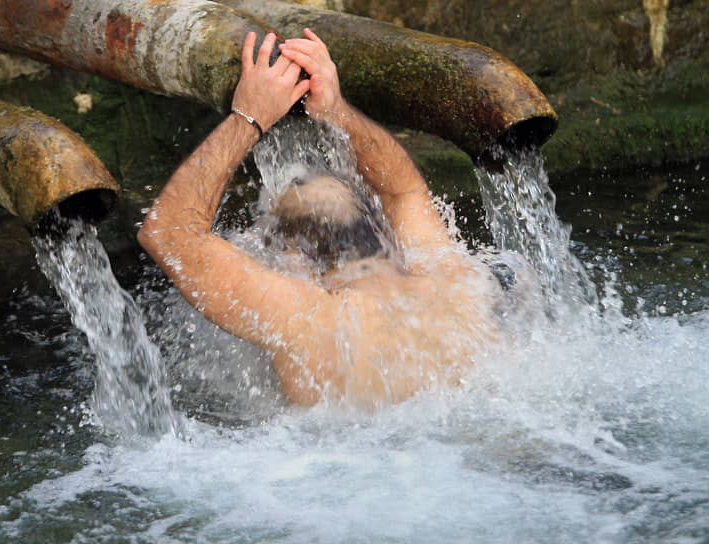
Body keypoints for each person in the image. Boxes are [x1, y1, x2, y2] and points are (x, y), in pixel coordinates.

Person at [138, 29, 502, 409]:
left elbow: (169, 235)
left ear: (292, 257)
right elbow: (402, 191)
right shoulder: (454, 281)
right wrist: (336, 111)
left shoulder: (307, 318)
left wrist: (249, 117)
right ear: (378, 227)